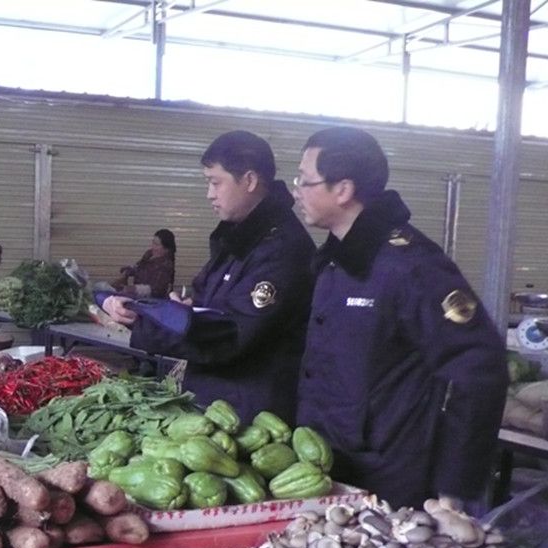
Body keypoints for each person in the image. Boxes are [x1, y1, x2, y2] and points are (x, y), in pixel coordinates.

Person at [292, 126, 508, 511]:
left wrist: (453, 486)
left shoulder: (410, 266)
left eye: (305, 181)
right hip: (330, 467)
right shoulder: (337, 260)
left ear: (343, 190)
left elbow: (479, 364)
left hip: (389, 481)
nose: (297, 192)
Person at [98, 131, 316, 423]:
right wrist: (175, 312)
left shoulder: (281, 249)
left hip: (249, 416)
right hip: (214, 402)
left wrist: (142, 323)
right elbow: (205, 302)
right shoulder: (237, 238)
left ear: (249, 181)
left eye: (215, 182)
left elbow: (232, 337)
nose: (209, 194)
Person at [112, 228, 177, 299]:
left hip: (152, 302)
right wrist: (125, 274)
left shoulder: (166, 265)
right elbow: (137, 267)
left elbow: (157, 290)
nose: (153, 247)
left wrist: (133, 289)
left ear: (166, 249)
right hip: (137, 297)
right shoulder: (149, 255)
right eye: (153, 242)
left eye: (157, 245)